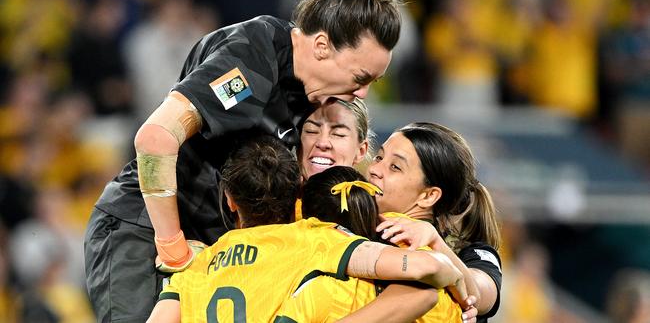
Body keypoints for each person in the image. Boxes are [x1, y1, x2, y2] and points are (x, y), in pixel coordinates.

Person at [83, 0, 421, 321]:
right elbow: (155, 139)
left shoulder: (309, 96)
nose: (364, 93)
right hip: (144, 224)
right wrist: (173, 248)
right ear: (321, 46)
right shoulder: (253, 60)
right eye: (360, 76)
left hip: (213, 240)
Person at [147, 135, 467, 323]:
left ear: (230, 200)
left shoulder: (196, 268)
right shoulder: (315, 240)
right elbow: (424, 277)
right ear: (294, 194)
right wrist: (454, 273)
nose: (375, 169)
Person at [277, 165, 465, 322]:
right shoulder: (405, 234)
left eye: (395, 167)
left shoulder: (316, 279)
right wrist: (458, 283)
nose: (375, 169)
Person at [370, 122, 503, 322]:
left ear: (428, 196)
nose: (374, 169)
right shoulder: (352, 228)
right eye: (379, 157)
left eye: (395, 167)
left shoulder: (472, 254)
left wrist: (435, 243)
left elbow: (479, 297)